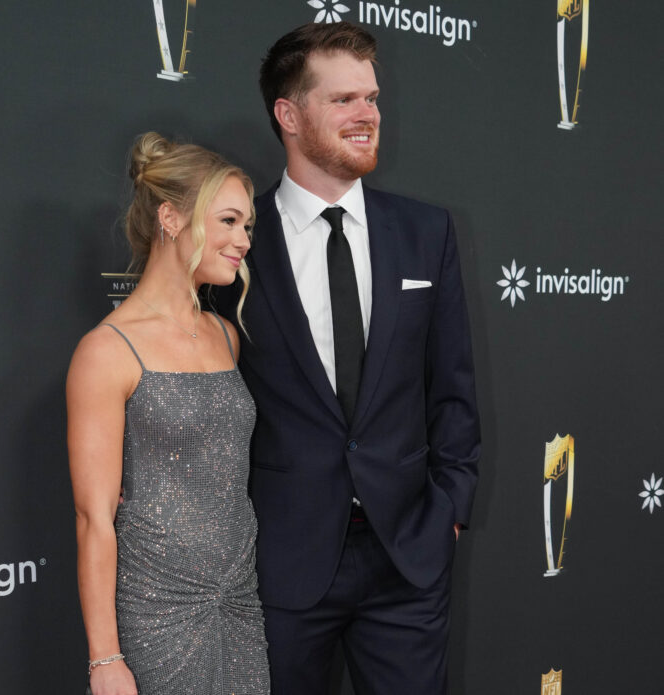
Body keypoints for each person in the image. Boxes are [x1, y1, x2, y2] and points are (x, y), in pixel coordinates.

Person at [215, 22, 480, 695]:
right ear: (289, 114)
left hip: (408, 555)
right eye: (343, 100)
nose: (367, 115)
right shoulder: (236, 245)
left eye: (372, 98)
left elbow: (452, 389)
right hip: (282, 561)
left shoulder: (427, 232)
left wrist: (448, 506)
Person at [67, 132, 270, 695]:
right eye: (228, 221)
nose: (243, 241)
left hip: (237, 600)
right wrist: (104, 659)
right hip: (157, 610)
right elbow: (94, 518)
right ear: (171, 218)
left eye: (247, 226)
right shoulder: (106, 352)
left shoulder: (226, 336)